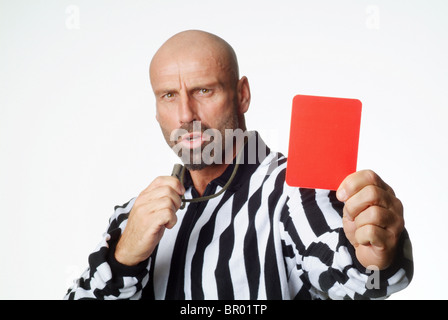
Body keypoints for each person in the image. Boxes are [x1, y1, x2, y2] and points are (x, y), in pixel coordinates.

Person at [64, 30, 413, 300]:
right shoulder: (132, 215)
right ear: (156, 108)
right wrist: (123, 257)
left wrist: (377, 257)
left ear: (242, 94)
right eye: (168, 95)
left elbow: (354, 280)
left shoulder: (293, 189)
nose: (185, 115)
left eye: (203, 90)